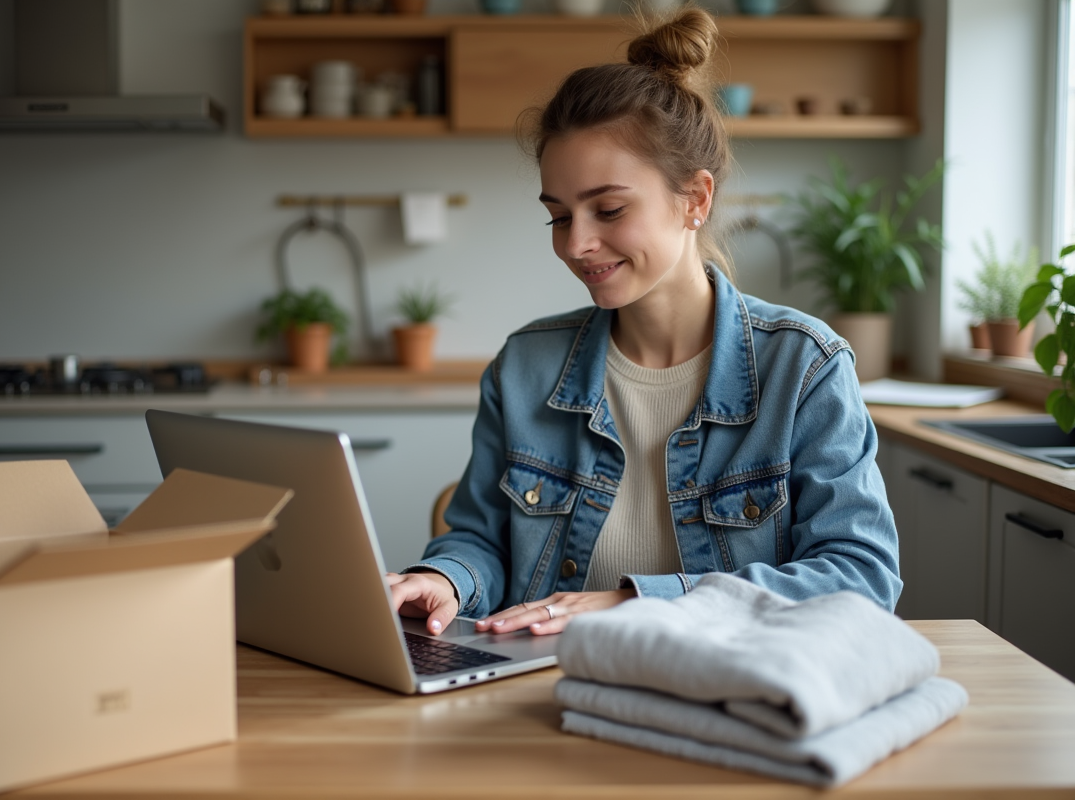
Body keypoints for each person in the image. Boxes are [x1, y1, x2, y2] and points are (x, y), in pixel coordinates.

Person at [385, 5, 900, 637]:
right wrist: (445, 579)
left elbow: (860, 576)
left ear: (695, 199)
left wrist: (644, 601)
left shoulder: (805, 368)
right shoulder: (526, 366)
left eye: (608, 209)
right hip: (548, 691)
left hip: (731, 695)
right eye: (558, 215)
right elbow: (480, 539)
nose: (576, 244)